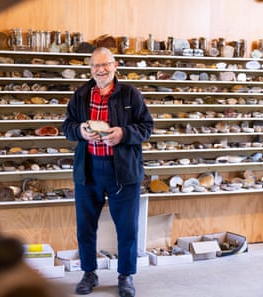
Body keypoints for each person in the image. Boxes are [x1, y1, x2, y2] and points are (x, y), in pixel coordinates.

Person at [62, 47, 153, 297]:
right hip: (88, 170)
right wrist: (79, 131)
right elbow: (67, 126)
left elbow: (147, 127)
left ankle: (126, 276)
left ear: (115, 66)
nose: (100, 70)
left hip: (122, 172)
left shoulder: (130, 94)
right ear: (90, 69)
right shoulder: (81, 95)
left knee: (127, 228)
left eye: (105, 64)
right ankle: (89, 273)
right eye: (95, 66)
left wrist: (124, 134)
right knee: (85, 227)